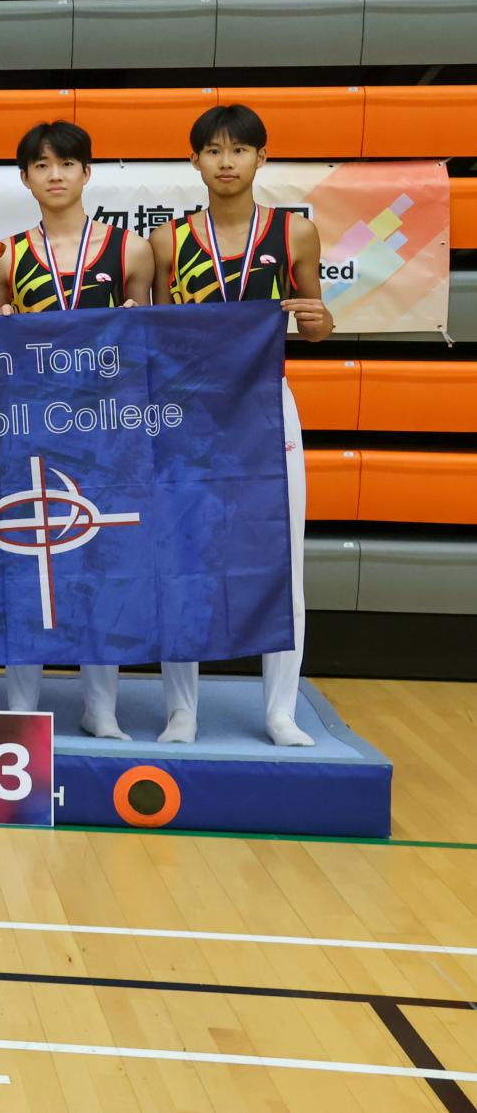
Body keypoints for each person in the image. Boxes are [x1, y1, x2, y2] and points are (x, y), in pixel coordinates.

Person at [147, 103, 331, 747]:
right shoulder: (167, 241)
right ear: (194, 160)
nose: (226, 162)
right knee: (182, 556)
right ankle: (181, 711)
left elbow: (317, 323)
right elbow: (157, 334)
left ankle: (280, 711)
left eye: (240, 149)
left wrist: (318, 321)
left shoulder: (295, 233)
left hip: (263, 405)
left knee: (281, 554)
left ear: (261, 157)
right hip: (189, 411)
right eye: (214, 150)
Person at [0, 117, 154, 738]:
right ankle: (20, 706)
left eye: (66, 163)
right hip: (28, 427)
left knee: (100, 566)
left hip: (104, 429)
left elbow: (148, 346)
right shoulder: (6, 255)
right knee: (23, 567)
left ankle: (101, 706)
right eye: (41, 165)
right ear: (25, 178)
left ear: (87, 172)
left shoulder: (130, 250)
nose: (55, 175)